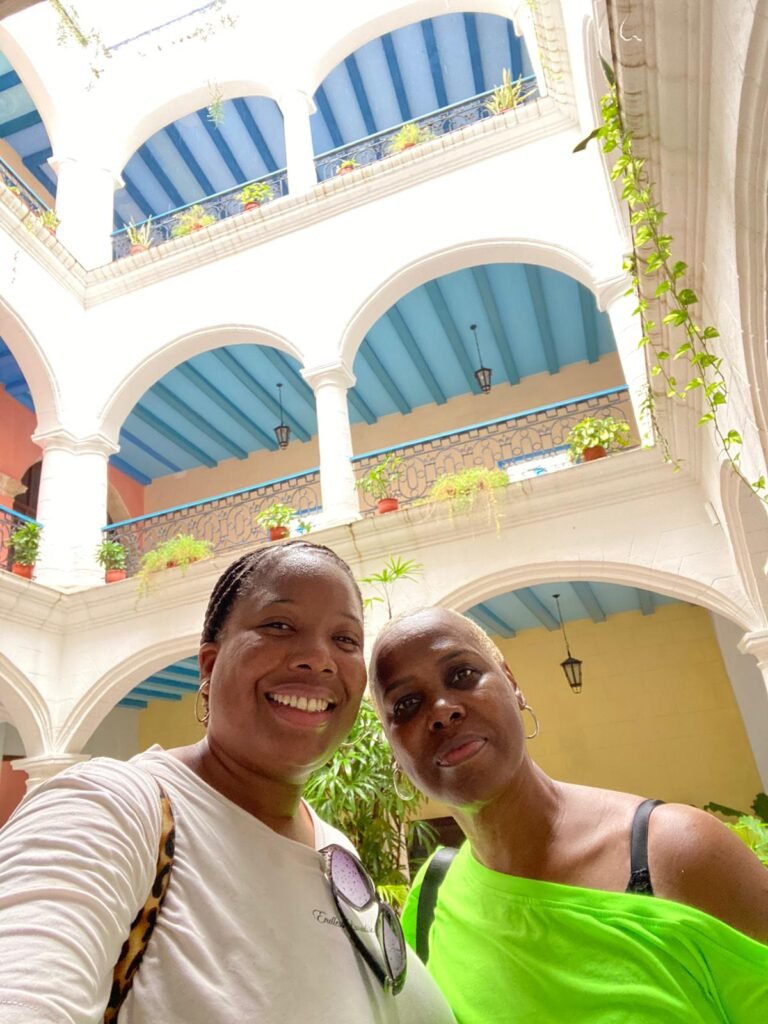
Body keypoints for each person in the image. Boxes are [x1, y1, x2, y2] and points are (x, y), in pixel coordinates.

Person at [0, 542, 455, 1024]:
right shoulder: (110, 808)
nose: (319, 659)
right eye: (279, 625)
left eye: (345, 639)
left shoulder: (335, 852)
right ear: (210, 665)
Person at [370, 606, 768, 1024]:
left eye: (462, 675)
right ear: (393, 748)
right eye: (407, 704)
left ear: (512, 683)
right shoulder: (434, 898)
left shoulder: (677, 853)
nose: (442, 709)